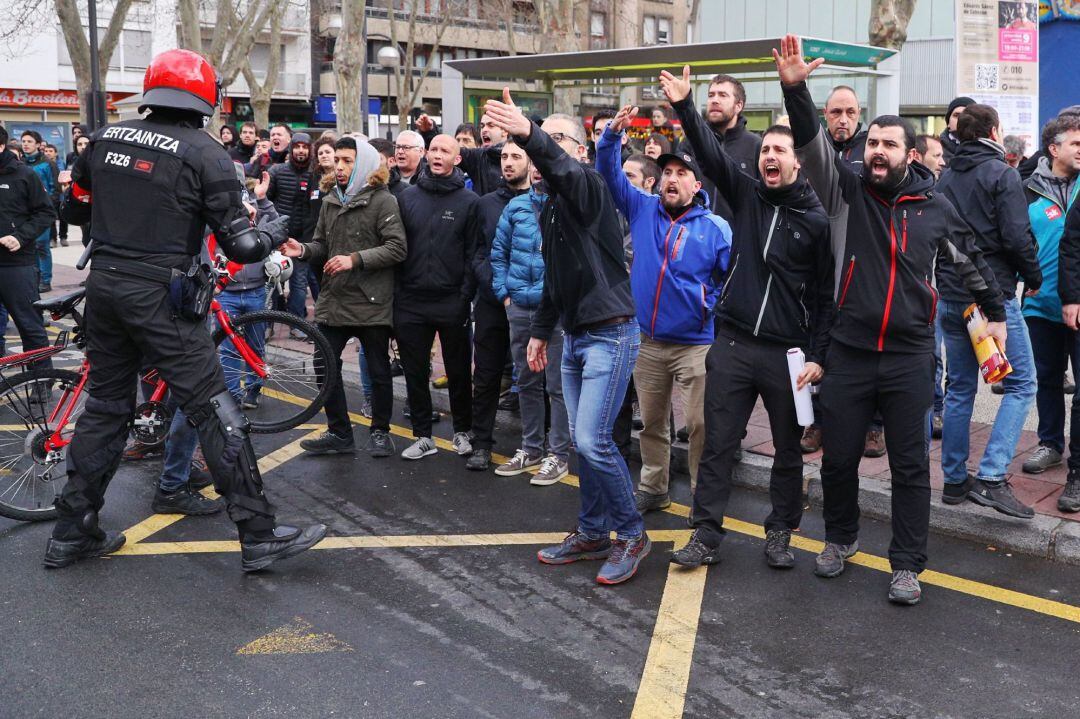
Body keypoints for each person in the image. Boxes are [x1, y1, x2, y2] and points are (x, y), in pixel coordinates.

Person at [48, 48, 325, 571]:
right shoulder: (205, 153)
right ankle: (259, 534)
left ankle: (71, 531)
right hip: (163, 295)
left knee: (106, 407)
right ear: (204, 98)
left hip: (105, 285)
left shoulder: (104, 139)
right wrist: (276, 230)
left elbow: (75, 207)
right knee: (214, 408)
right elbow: (241, 245)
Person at [775, 35, 1007, 604]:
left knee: (909, 468)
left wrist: (997, 314)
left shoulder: (935, 207)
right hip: (850, 352)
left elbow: (971, 262)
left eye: (889, 145)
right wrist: (795, 91)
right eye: (872, 143)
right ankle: (840, 539)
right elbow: (811, 146)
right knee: (839, 462)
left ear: (910, 154)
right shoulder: (845, 192)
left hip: (909, 356)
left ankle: (906, 565)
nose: (877, 151)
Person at [660, 64, 833, 568]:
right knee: (716, 445)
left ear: (797, 162)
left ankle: (779, 534)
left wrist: (818, 355)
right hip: (733, 344)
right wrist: (685, 105)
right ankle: (705, 534)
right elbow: (710, 153)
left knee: (787, 451)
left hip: (787, 354)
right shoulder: (747, 195)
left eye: (779, 150)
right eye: (764, 151)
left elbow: (826, 297)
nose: (769, 157)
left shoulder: (816, 221)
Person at [485, 89, 649, 585]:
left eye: (557, 139)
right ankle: (593, 532)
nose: (544, 149)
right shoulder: (549, 207)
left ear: (579, 150)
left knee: (594, 441)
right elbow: (556, 277)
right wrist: (540, 332)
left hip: (611, 334)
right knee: (583, 444)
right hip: (575, 338)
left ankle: (631, 535)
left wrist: (530, 133)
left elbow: (565, 170)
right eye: (545, 138)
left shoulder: (589, 184)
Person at [596, 101, 731, 516]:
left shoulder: (716, 228)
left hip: (696, 344)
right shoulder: (642, 207)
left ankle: (701, 499)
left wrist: (706, 304)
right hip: (648, 342)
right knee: (653, 423)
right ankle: (654, 487)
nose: (672, 179)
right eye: (667, 173)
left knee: (699, 426)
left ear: (696, 184)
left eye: (680, 174)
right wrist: (611, 136)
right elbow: (608, 173)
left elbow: (729, 281)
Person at [935, 103, 1041, 519]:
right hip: (991, 299)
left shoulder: (945, 177)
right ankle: (992, 476)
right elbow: (1016, 237)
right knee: (1022, 384)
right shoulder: (1002, 174)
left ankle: (954, 480)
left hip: (950, 295)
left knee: (959, 389)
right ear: (994, 131)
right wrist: (1033, 276)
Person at [283, 138, 405, 458]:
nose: (339, 167)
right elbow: (322, 245)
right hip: (335, 298)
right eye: (337, 160)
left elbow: (397, 248)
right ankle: (339, 432)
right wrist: (303, 250)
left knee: (378, 370)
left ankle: (380, 431)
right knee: (323, 363)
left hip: (371, 300)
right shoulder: (330, 200)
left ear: (362, 163)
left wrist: (355, 259)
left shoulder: (383, 200)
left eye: (347, 161)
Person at [800, 85, 885, 458]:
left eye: (850, 112)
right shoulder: (812, 149)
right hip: (815, 260)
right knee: (817, 342)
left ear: (859, 113)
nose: (843, 119)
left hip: (859, 266)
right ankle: (816, 420)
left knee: (868, 348)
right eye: (836, 112)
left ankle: (874, 426)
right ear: (825, 114)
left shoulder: (869, 153)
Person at [394, 134, 479, 460]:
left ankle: (463, 431)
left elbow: (474, 253)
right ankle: (422, 436)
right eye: (433, 150)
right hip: (411, 301)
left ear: (458, 159)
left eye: (445, 150)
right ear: (426, 155)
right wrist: (399, 293)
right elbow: (397, 248)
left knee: (458, 371)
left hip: (451, 300)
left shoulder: (469, 201)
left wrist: (464, 295)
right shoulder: (407, 197)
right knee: (415, 372)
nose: (437, 155)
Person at [490, 161, 572, 485]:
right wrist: (505, 295)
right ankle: (531, 448)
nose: (539, 170)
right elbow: (498, 253)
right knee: (526, 381)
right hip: (520, 308)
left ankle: (559, 455)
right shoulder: (516, 206)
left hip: (556, 311)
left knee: (557, 385)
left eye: (543, 164)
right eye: (534, 165)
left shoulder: (567, 205)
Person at [1021, 116, 1080, 497]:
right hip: (1040, 303)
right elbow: (1015, 239)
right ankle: (1050, 444)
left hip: (1079, 304)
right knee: (1047, 378)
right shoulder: (1027, 188)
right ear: (1054, 149)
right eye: (1075, 143)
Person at [466, 141, 532, 471]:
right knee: (486, 375)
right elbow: (477, 252)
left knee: (534, 377)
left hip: (531, 305)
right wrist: (497, 288)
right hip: (493, 302)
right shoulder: (486, 204)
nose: (508, 162)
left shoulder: (543, 202)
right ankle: (481, 444)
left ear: (531, 162)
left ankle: (538, 445)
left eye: (516, 156)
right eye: (504, 156)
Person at [0, 125, 55, 371]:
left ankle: (42, 380)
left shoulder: (24, 175)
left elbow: (46, 213)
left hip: (17, 264)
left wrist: (20, 237)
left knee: (30, 326)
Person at [675, 73, 761, 221]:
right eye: (711, 95)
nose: (714, 100)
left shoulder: (756, 146)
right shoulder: (690, 143)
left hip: (736, 232)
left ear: (739, 105)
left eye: (722, 95)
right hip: (695, 230)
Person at [267, 132, 314, 324]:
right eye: (297, 147)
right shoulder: (277, 171)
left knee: (299, 283)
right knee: (273, 280)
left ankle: (296, 324)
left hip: (302, 238)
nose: (301, 151)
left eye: (305, 147)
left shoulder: (315, 174)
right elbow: (266, 201)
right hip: (278, 236)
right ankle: (271, 320)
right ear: (291, 148)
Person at [20, 130, 58, 292]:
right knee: (30, 246)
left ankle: (45, 279)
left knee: (42, 245)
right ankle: (34, 278)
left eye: (29, 141)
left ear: (37, 144)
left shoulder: (47, 164)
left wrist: (48, 206)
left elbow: (55, 189)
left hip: (42, 212)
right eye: (23, 141)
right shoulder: (19, 163)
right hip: (24, 213)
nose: (25, 144)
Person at [940, 96, 975, 164]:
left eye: (966, 116)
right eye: (956, 115)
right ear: (948, 123)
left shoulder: (987, 152)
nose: (961, 119)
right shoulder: (935, 152)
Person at [389, 130, 425, 196]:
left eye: (406, 147)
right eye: (398, 147)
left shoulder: (429, 176)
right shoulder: (387, 174)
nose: (400, 151)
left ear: (421, 151)